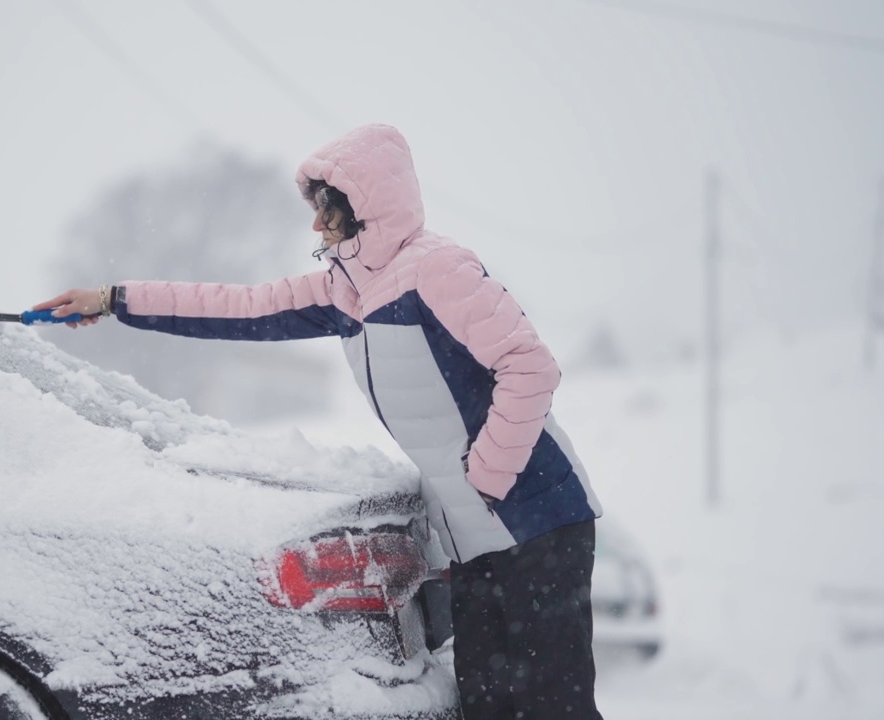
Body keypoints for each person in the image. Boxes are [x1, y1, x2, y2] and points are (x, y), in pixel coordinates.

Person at [34, 124, 604, 719]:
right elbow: (236, 307)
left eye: (326, 209)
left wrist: (487, 477)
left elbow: (530, 367)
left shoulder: (437, 269)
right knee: (489, 708)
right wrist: (112, 299)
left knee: (552, 707)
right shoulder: (347, 291)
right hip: (474, 538)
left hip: (539, 521)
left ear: (364, 208)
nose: (315, 225)